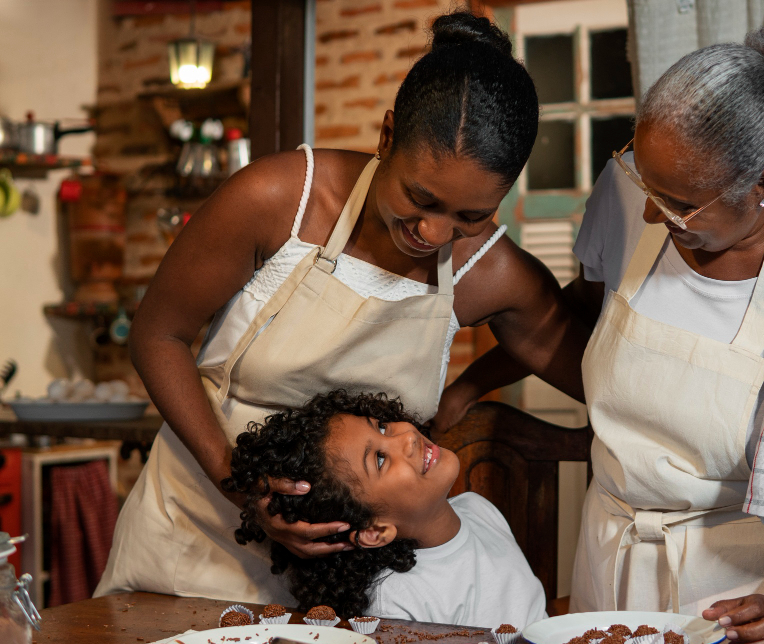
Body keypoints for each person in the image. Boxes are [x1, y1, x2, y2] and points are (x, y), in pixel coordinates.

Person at [440, 26, 764, 644]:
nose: (651, 216)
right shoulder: (628, 194)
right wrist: (471, 384)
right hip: (610, 567)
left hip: (759, 591)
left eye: (680, 205)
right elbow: (575, 324)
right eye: (648, 187)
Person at [96, 11, 587, 604]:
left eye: (471, 216)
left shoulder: (492, 273)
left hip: (342, 587)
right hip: (192, 541)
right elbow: (157, 335)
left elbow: (596, 375)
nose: (434, 233)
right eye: (420, 198)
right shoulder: (279, 201)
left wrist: (468, 388)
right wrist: (241, 486)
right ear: (385, 138)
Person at [224, 389, 547, 627]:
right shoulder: (396, 599)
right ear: (374, 531)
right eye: (379, 458)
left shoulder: (479, 509)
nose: (406, 435)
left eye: (381, 426)